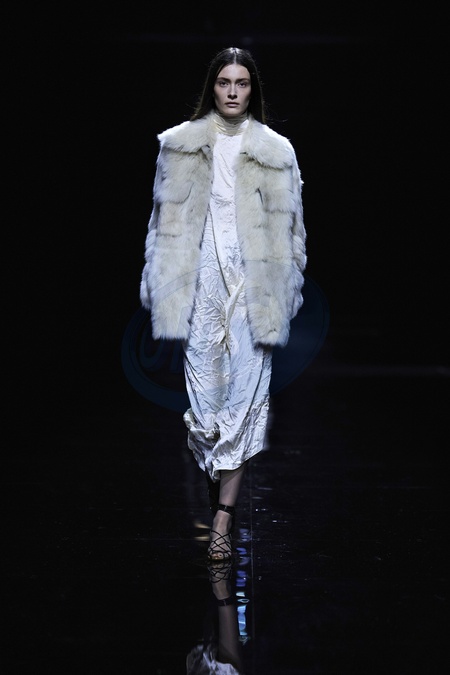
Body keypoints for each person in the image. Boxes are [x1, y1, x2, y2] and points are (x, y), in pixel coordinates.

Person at [140, 46, 307, 562]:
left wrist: (287, 287)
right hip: (199, 284)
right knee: (207, 408)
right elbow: (160, 224)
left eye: (242, 83)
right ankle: (220, 496)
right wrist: (160, 285)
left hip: (253, 288)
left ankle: (222, 519)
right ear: (211, 87)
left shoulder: (277, 151)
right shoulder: (179, 146)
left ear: (253, 90)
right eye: (224, 82)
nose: (233, 92)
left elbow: (294, 232)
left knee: (244, 400)